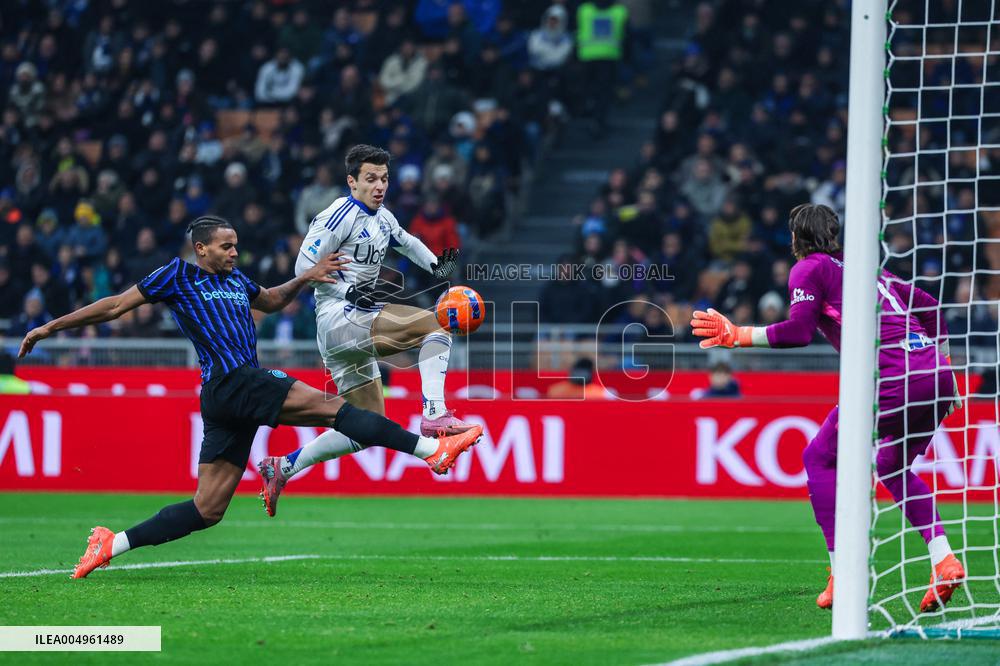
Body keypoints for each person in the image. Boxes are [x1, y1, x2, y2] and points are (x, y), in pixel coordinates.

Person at [18, 215, 482, 579]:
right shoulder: (178, 275)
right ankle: (430, 450)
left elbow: (273, 299)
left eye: (236, 244)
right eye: (226, 246)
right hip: (236, 381)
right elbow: (116, 305)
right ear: (201, 249)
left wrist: (308, 277)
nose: (234, 252)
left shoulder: (238, 283)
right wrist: (50, 326)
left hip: (224, 400)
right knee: (337, 411)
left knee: (208, 509)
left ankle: (111, 542)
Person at [690, 204, 965, 613]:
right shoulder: (867, 271)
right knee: (891, 466)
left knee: (817, 456)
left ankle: (842, 575)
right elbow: (928, 305)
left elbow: (799, 332)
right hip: (936, 377)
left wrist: (738, 335)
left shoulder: (809, 268)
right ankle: (943, 559)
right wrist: (945, 366)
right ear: (833, 234)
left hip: (889, 375)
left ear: (795, 237)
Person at [256, 144, 471, 517]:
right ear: (351, 182)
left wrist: (439, 268)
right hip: (340, 317)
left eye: (384, 178)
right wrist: (344, 288)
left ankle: (284, 466)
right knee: (438, 323)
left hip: (346, 330)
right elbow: (304, 262)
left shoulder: (383, 218)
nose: (379, 186)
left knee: (365, 427)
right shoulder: (339, 214)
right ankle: (434, 412)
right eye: (370, 179)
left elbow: (407, 242)